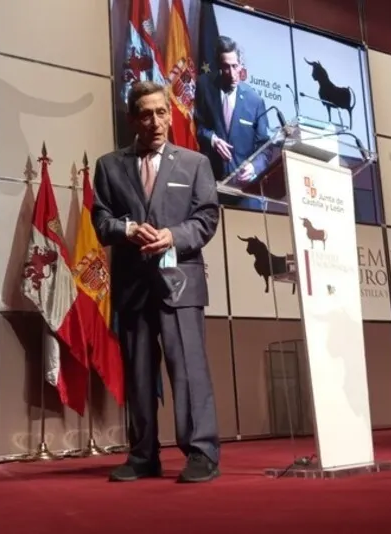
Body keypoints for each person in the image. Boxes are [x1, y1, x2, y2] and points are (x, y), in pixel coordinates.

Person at [91, 80, 222, 483]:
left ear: (170, 113)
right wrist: (128, 230)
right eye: (146, 113)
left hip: (181, 284)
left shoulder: (195, 163)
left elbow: (206, 219)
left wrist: (173, 236)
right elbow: (101, 220)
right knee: (139, 374)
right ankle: (144, 455)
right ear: (133, 118)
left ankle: (201, 453)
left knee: (188, 371)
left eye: (162, 112)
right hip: (133, 285)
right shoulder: (109, 166)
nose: (156, 121)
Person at [194, 36, 271, 210]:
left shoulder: (255, 100)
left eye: (235, 66)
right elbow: (198, 127)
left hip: (246, 193)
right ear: (219, 66)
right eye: (226, 67)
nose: (231, 73)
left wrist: (253, 167)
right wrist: (212, 139)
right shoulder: (205, 86)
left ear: (241, 64)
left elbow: (264, 147)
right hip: (212, 187)